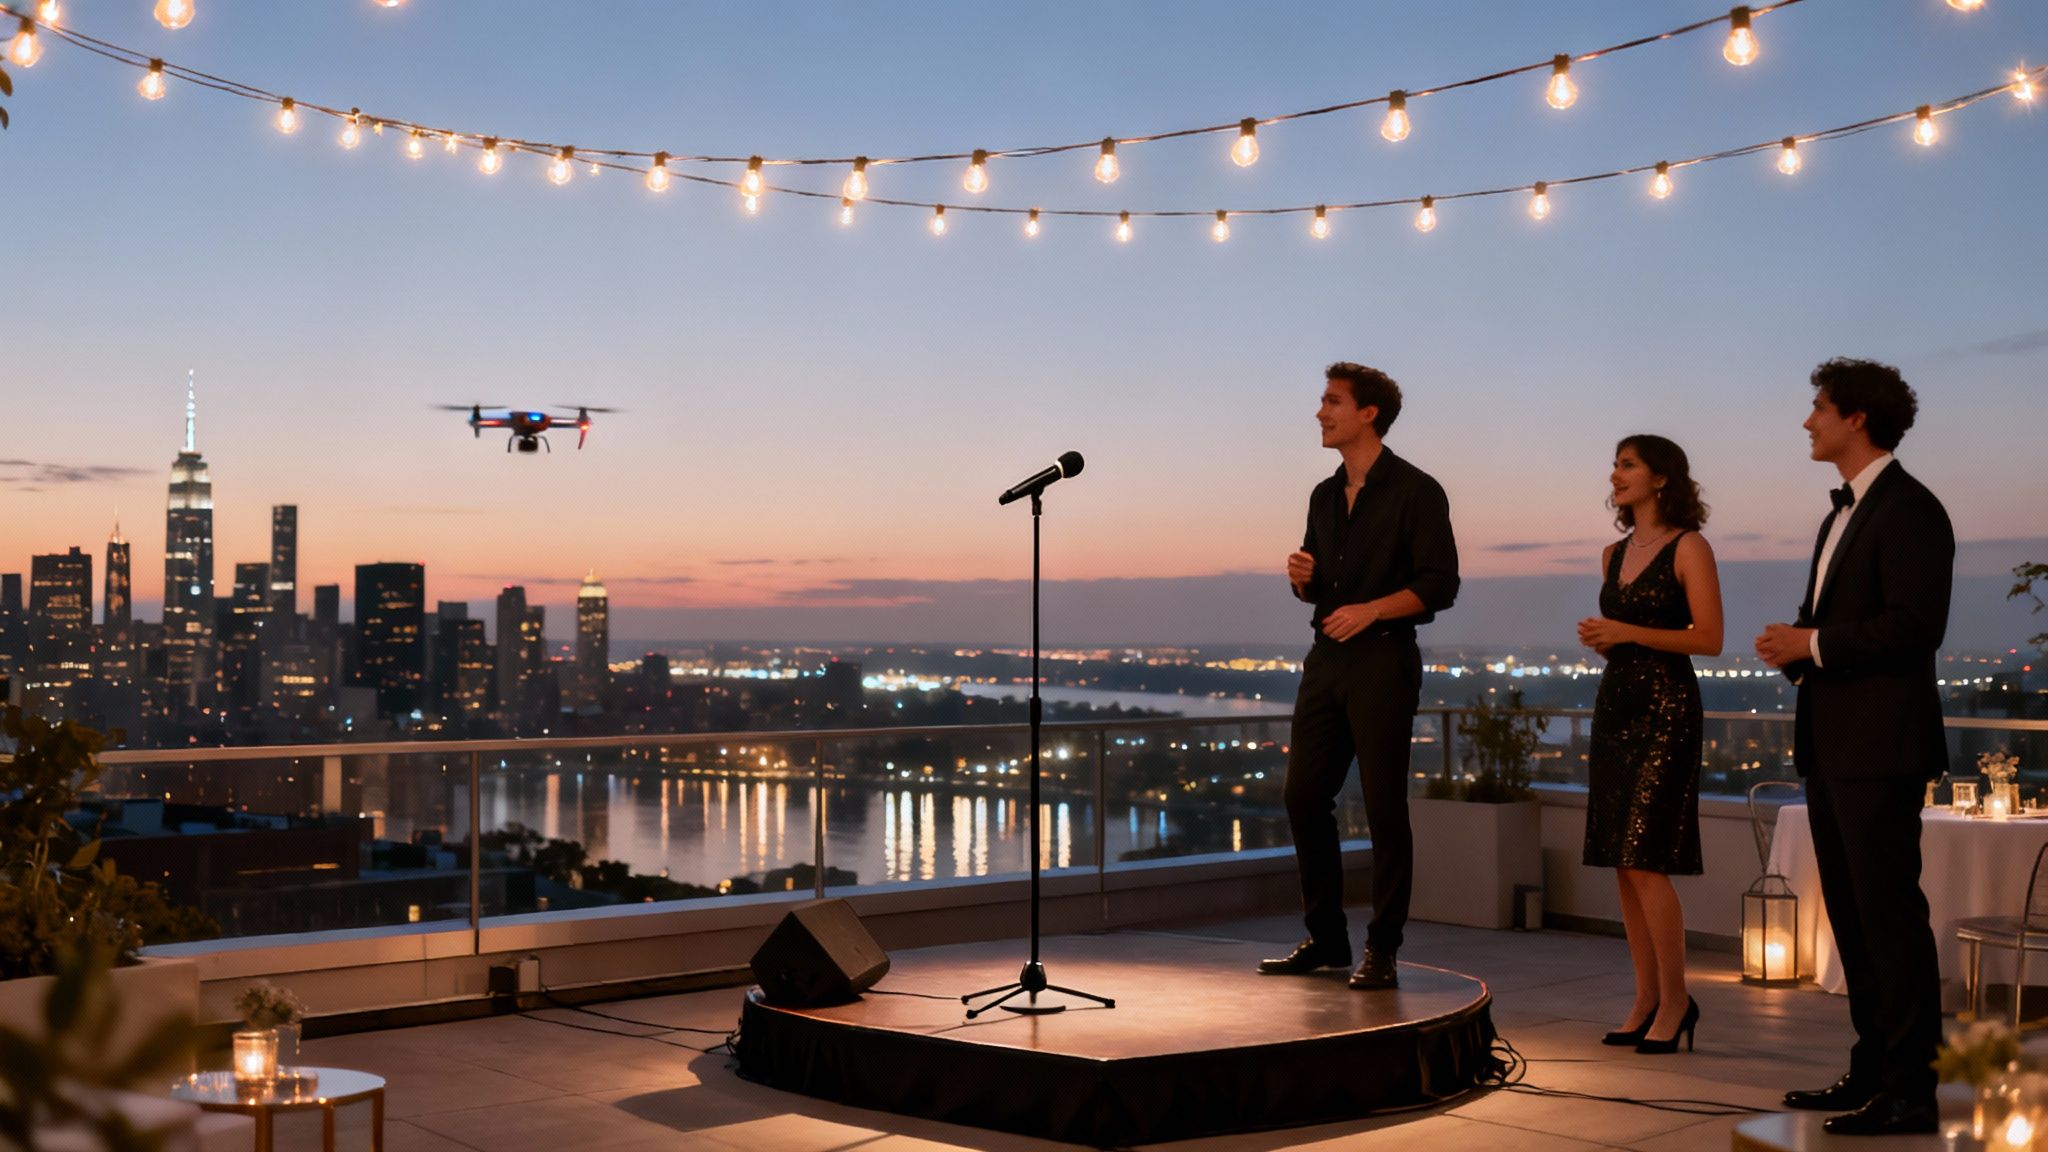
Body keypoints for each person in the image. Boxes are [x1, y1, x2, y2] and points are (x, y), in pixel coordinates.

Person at [1757, 358, 1951, 1137]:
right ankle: (1872, 1070)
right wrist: (1801, 647)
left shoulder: (1911, 509)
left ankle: (1913, 1091)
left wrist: (1814, 642)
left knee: (1888, 917)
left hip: (1881, 748)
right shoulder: (1838, 515)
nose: (1808, 422)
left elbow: (1914, 626)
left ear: (1857, 419)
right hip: (1835, 744)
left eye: (1818, 408)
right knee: (1853, 915)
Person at [1259, 362, 1459, 990]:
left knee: (1381, 805)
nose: (1321, 413)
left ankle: (1384, 948)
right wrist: (1303, 578)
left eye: (1332, 401)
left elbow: (1440, 584)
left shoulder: (1417, 490)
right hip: (1327, 658)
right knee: (1302, 795)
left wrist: (1373, 608)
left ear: (1368, 413)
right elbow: (1319, 586)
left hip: (1384, 658)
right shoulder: (1323, 494)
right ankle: (1326, 939)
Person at [1577, 435, 1723, 1055]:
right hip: (1617, 706)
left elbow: (1710, 638)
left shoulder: (1690, 546)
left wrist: (1626, 630)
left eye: (1628, 464)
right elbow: (1629, 638)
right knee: (1622, 860)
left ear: (1662, 478)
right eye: (1615, 464)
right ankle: (1645, 997)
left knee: (1646, 857)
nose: (1615, 474)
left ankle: (1677, 999)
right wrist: (1606, 641)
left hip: (1667, 711)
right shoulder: (1612, 553)